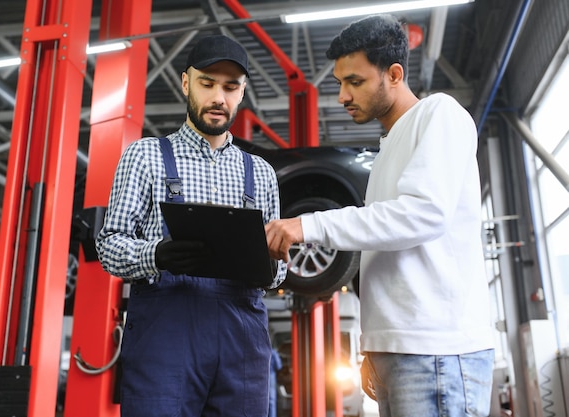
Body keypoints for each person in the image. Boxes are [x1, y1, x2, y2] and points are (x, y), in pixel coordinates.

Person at [265, 14, 494, 417]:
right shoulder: (390, 146)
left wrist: (309, 224)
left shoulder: (439, 114)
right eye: (339, 83)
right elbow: (384, 252)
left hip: (437, 350)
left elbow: (421, 216)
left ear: (393, 74)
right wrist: (375, 345)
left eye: (355, 81)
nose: (342, 96)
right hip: (400, 351)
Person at [95, 34, 287, 417]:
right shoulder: (146, 156)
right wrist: (157, 254)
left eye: (230, 87)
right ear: (186, 83)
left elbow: (277, 273)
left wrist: (275, 263)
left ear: (242, 92)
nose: (219, 98)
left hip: (241, 334)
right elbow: (109, 245)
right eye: (207, 83)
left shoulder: (261, 173)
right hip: (167, 332)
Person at [268, 347, 282, 417]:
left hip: (262, 377)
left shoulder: (263, 350)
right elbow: (279, 366)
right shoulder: (273, 352)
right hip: (271, 376)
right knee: (272, 401)